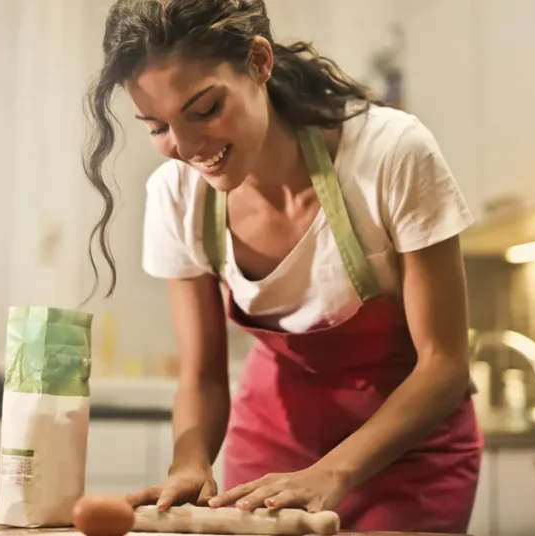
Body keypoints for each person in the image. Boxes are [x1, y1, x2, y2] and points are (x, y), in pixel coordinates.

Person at [81, 0, 482, 532]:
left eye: (203, 110)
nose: (186, 146)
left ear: (259, 62)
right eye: (158, 127)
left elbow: (444, 365)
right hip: (271, 447)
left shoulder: (390, 155)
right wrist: (190, 460)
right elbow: (201, 375)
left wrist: (332, 472)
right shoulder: (177, 197)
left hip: (408, 455)